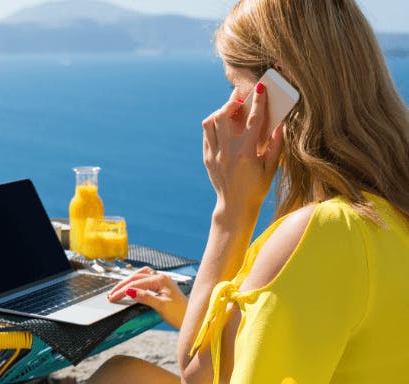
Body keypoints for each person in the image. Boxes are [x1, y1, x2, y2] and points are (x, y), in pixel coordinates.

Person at [89, 0, 409, 382]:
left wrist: (232, 212)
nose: (228, 109)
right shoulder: (386, 211)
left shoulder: (324, 234)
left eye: (235, 86)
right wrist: (202, 312)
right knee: (126, 374)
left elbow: (196, 373)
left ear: (279, 90)